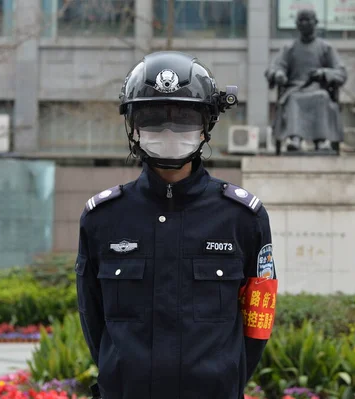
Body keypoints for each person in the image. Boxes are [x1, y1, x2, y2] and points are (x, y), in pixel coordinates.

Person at [75, 50, 278, 399]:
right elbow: (93, 319)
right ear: (133, 126)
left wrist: (224, 380)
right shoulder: (102, 219)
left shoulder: (242, 218)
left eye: (184, 118)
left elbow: (257, 321)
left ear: (206, 126)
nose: (168, 130)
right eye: (153, 118)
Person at [265, 8, 348, 153]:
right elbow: (274, 67)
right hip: (294, 90)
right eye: (301, 20)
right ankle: (294, 138)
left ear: (315, 23)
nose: (304, 24)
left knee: (321, 98)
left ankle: (322, 139)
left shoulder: (325, 48)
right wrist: (278, 74)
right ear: (297, 24)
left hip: (318, 89)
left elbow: (340, 72)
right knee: (293, 99)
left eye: (308, 20)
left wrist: (324, 73)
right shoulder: (289, 49)